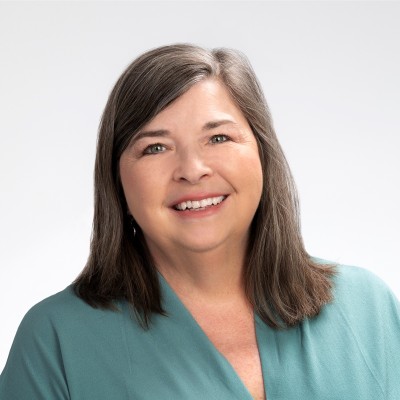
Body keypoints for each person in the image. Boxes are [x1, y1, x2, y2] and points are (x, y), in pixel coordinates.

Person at [0, 44, 399, 400]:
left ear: (262, 154)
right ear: (116, 180)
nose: (192, 170)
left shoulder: (369, 308)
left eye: (219, 138)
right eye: (155, 147)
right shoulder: (56, 341)